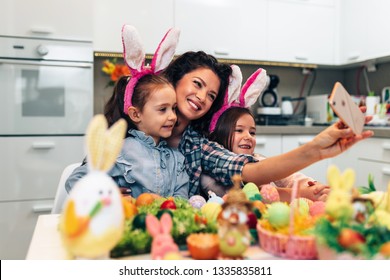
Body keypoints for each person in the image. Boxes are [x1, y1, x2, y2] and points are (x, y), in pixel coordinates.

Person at [161, 52, 373, 197]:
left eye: (211, 95)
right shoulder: (137, 123)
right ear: (176, 78)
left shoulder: (199, 146)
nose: (201, 97)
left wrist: (317, 149)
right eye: (197, 84)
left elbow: (250, 170)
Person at [66, 25, 188, 199]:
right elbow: (75, 181)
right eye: (163, 109)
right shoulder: (119, 150)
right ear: (136, 114)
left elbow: (182, 198)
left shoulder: (176, 158)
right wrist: (108, 195)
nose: (173, 116)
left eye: (174, 108)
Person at [202, 106, 330, 201]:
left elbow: (291, 178)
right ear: (220, 133)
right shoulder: (211, 174)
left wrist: (316, 187)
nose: (248, 137)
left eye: (252, 132)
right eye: (239, 130)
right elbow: (255, 196)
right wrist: (303, 193)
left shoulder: (258, 159)